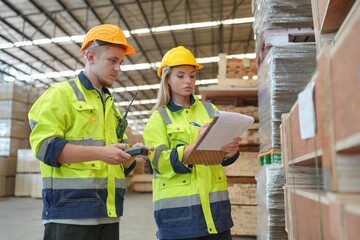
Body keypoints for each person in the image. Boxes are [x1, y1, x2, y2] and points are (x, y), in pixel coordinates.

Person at [28, 24, 153, 240]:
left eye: (120, 63)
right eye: (113, 60)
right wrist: (102, 153)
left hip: (108, 213)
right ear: (91, 56)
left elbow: (119, 164)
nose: (118, 69)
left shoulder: (111, 108)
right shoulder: (61, 94)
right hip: (70, 215)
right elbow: (44, 147)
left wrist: (131, 156)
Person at [143, 46, 241, 240]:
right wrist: (196, 144)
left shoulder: (209, 109)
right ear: (167, 79)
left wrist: (230, 150)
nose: (188, 81)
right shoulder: (159, 118)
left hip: (216, 214)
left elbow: (222, 158)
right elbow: (159, 162)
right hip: (179, 217)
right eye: (180, 76)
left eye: (192, 75)